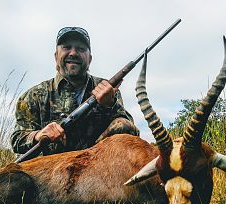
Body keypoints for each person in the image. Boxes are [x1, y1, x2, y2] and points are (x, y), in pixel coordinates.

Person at [11, 26, 139, 156]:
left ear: (89, 59)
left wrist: (110, 105)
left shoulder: (107, 89)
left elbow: (130, 132)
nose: (73, 53)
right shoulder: (33, 96)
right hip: (51, 171)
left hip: (94, 167)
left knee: (123, 124)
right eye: (66, 47)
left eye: (81, 49)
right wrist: (38, 135)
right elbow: (16, 140)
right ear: (56, 57)